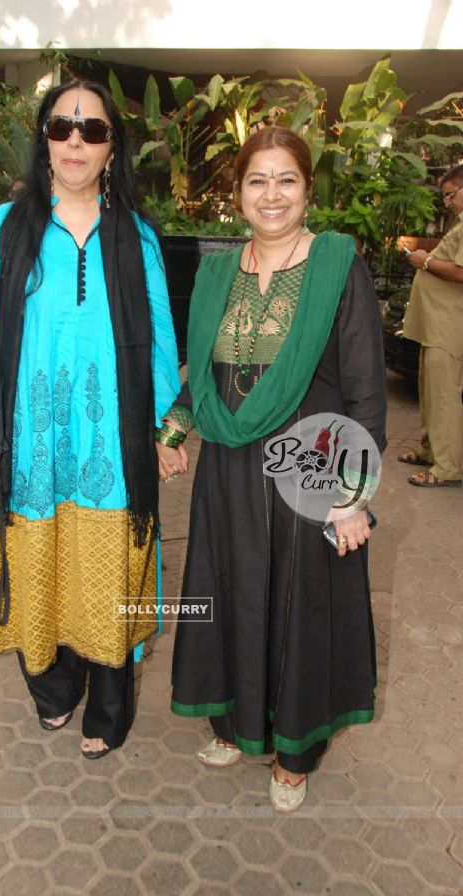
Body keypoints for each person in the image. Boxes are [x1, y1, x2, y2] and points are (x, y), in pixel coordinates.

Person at [0, 80, 180, 759]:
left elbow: (162, 340)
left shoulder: (135, 235)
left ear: (112, 148)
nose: (77, 140)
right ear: (44, 136)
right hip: (31, 444)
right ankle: (53, 685)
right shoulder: (7, 228)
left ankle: (110, 700)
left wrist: (169, 426)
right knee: (35, 558)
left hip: (112, 440)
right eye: (63, 126)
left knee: (108, 571)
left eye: (94, 130)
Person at [156, 127, 386, 812]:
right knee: (228, 591)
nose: (272, 194)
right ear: (238, 194)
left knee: (301, 604)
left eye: (286, 179)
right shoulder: (218, 272)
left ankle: (294, 749)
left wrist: (352, 499)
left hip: (310, 466)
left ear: (308, 189)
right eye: (258, 180)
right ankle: (232, 722)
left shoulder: (337, 264)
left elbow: (367, 388)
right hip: (227, 465)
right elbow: (199, 368)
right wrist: (172, 433)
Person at [399, 164, 463, 488]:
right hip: (436, 324)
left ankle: (447, 467)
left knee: (444, 397)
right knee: (429, 391)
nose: (447, 202)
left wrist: (424, 260)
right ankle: (428, 450)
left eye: (451, 195)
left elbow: (461, 271)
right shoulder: (459, 224)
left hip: (450, 326)